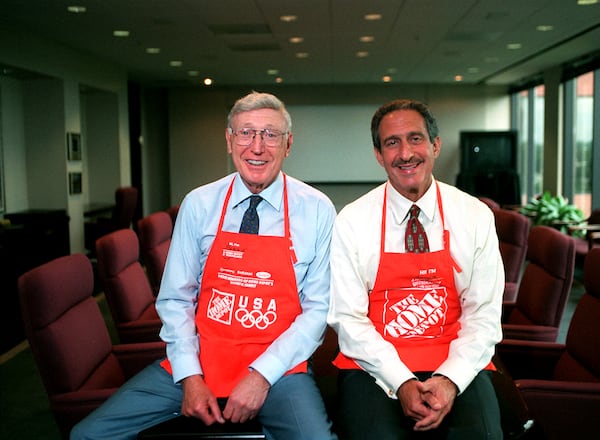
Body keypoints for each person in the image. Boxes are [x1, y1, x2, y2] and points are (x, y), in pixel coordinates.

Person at [72, 91, 338, 440]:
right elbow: (175, 299)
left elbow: (317, 311)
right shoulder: (199, 204)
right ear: (229, 141)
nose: (257, 147)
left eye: (271, 135)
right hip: (201, 357)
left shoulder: (317, 209)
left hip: (280, 368)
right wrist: (190, 377)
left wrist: (261, 376)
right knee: (89, 435)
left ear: (288, 145)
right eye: (245, 133)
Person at [327, 99, 504, 439]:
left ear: (435, 145)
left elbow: (483, 314)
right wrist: (402, 380)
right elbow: (348, 318)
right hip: (374, 365)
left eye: (415, 139)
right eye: (392, 143)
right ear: (379, 155)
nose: (405, 153)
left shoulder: (475, 216)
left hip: (456, 359)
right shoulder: (352, 220)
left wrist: (451, 379)